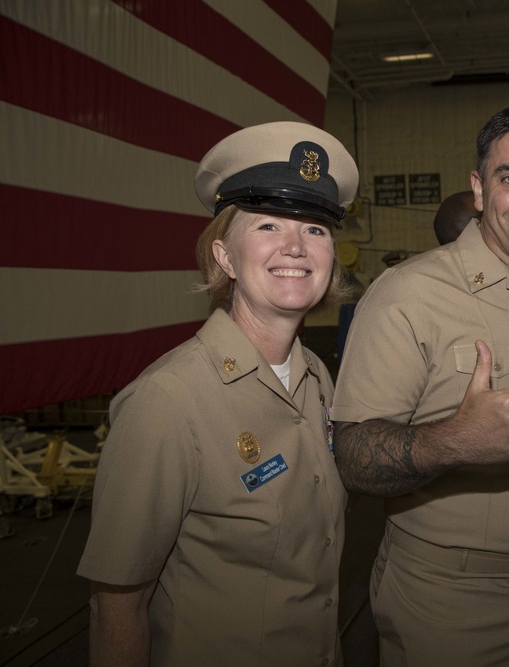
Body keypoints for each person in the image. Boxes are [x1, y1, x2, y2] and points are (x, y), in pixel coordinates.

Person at [331, 105, 509, 666]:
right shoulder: (408, 295)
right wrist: (454, 441)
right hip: (451, 605)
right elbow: (352, 456)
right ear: (480, 189)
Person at [77, 122, 358, 666]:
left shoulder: (317, 379)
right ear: (225, 257)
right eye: (269, 224)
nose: (295, 247)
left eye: (316, 229)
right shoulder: (169, 401)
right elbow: (115, 607)